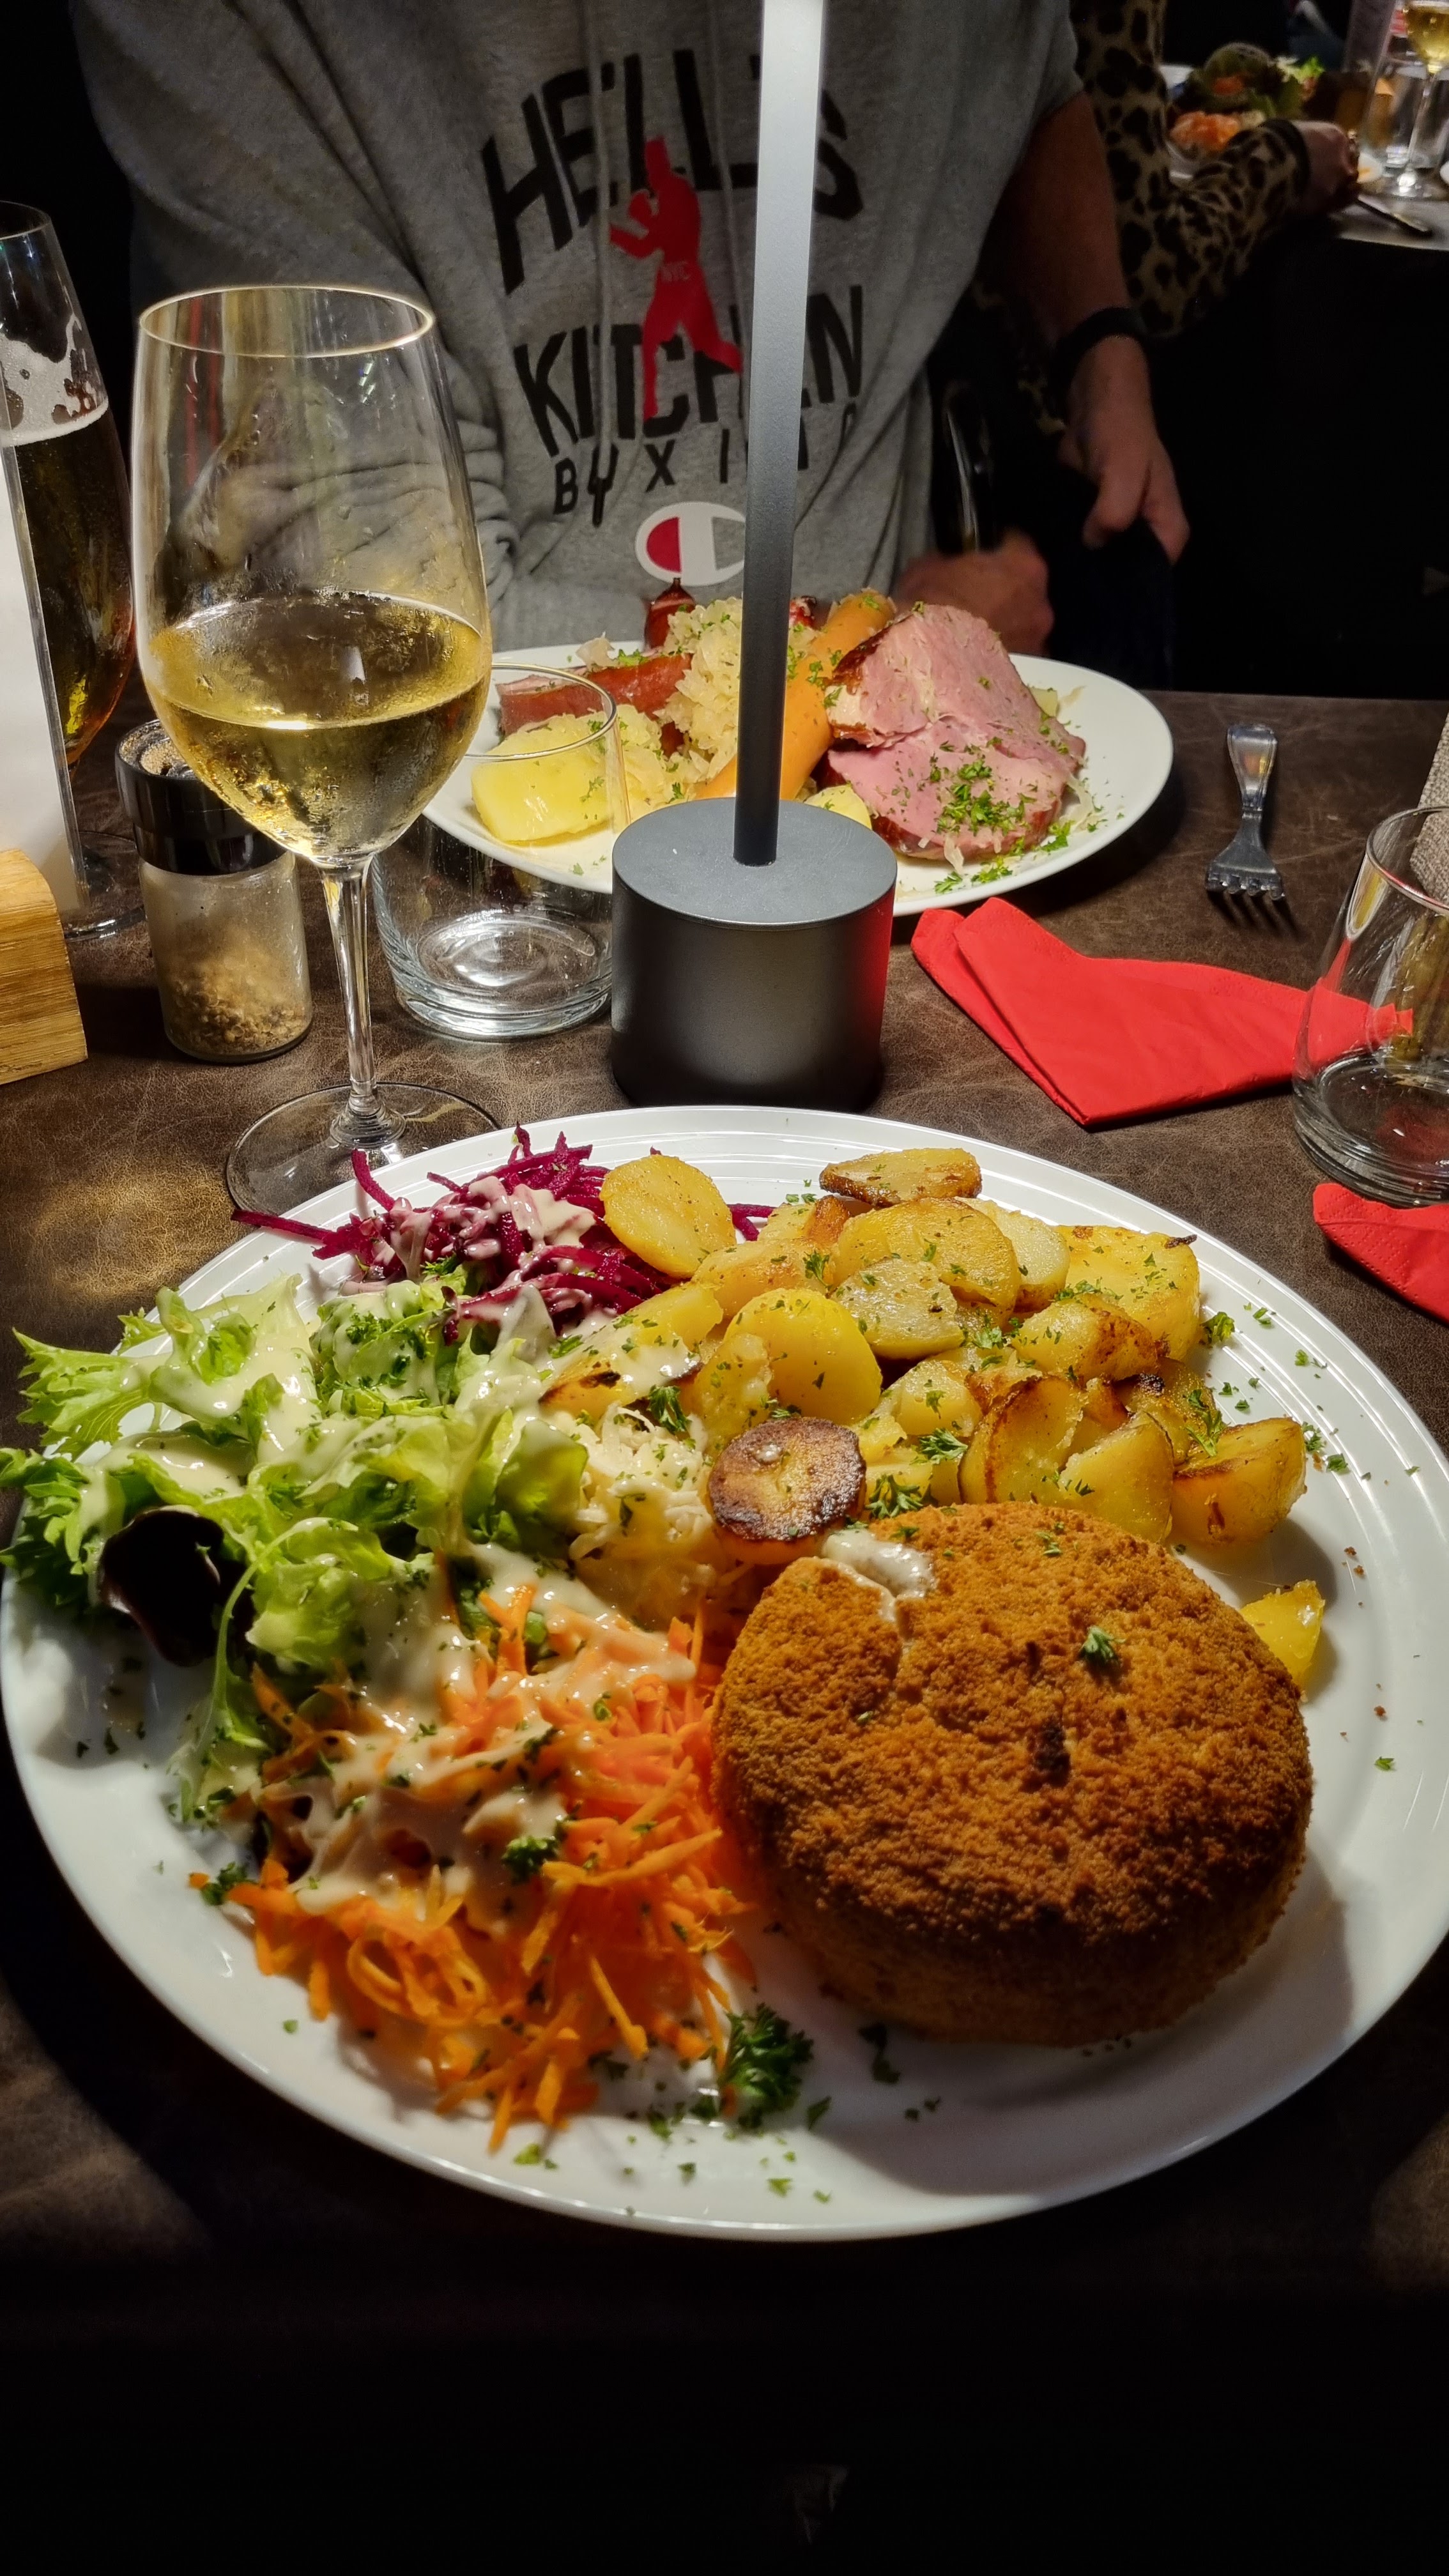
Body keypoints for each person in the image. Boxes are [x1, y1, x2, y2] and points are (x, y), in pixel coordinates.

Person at [75, 0, 1184, 652]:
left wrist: (1101, 344)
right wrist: (872, 650)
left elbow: (1035, 78)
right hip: (484, 835)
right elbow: (405, 631)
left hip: (883, 801)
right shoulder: (232, 27)